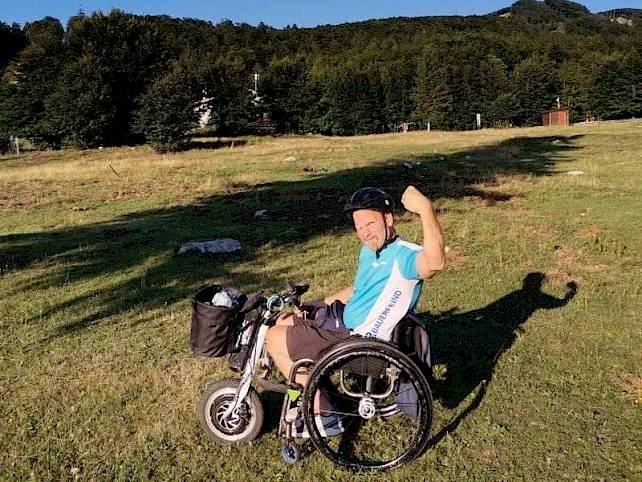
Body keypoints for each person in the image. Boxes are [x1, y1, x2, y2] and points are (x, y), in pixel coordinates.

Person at [265, 185, 445, 437]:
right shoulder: (370, 251)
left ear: (388, 219)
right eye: (359, 227)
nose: (364, 233)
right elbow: (358, 289)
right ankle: (315, 387)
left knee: (274, 338)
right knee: (285, 319)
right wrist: (318, 304)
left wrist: (425, 208)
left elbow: (435, 262)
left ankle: (325, 415)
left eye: (370, 224)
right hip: (345, 324)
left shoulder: (404, 258)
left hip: (361, 342)